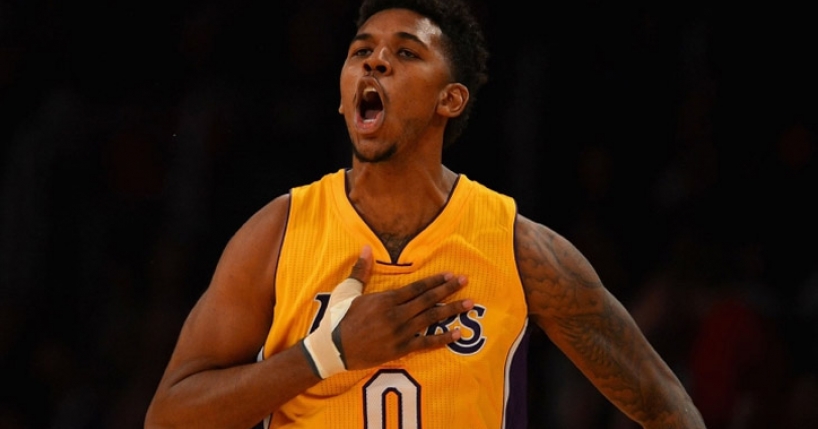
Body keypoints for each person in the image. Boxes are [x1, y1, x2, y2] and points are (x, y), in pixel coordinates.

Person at [144, 0, 706, 427]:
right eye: (361, 52)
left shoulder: (518, 248)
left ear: (450, 99)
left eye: (406, 52)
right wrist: (326, 354)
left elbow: (663, 402)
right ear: (343, 96)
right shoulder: (278, 231)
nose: (376, 61)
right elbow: (168, 418)